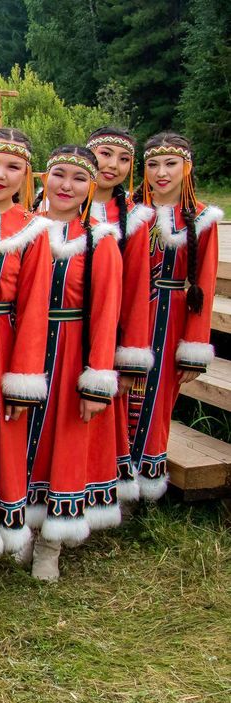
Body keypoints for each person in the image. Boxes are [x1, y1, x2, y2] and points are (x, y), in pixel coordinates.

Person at [26, 146, 122, 582]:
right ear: (45, 176)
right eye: (59, 174)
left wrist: (96, 380)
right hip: (21, 350)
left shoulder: (99, 240)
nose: (66, 186)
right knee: (20, 444)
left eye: (78, 179)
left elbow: (106, 313)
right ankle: (20, 532)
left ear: (91, 186)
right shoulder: (23, 230)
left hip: (69, 353)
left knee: (64, 447)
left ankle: (51, 545)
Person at [0, 128, 52, 561]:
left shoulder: (35, 230)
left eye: (13, 166)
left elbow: (36, 307)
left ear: (26, 174)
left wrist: (22, 380)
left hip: (3, 342)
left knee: (1, 442)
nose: (0, 174)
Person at [130, 133, 222, 501]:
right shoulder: (131, 211)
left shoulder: (201, 218)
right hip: (129, 317)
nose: (161, 173)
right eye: (152, 164)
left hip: (169, 319)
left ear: (188, 168)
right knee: (119, 400)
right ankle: (109, 481)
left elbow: (205, 286)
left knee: (155, 400)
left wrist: (193, 348)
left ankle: (140, 488)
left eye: (170, 164)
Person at [86, 128, 155, 512]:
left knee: (99, 416)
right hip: (54, 332)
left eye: (123, 159)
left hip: (106, 333)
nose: (112, 165)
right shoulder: (50, 205)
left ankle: (97, 495)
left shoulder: (136, 219)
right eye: (104, 153)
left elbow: (135, 293)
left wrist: (128, 355)